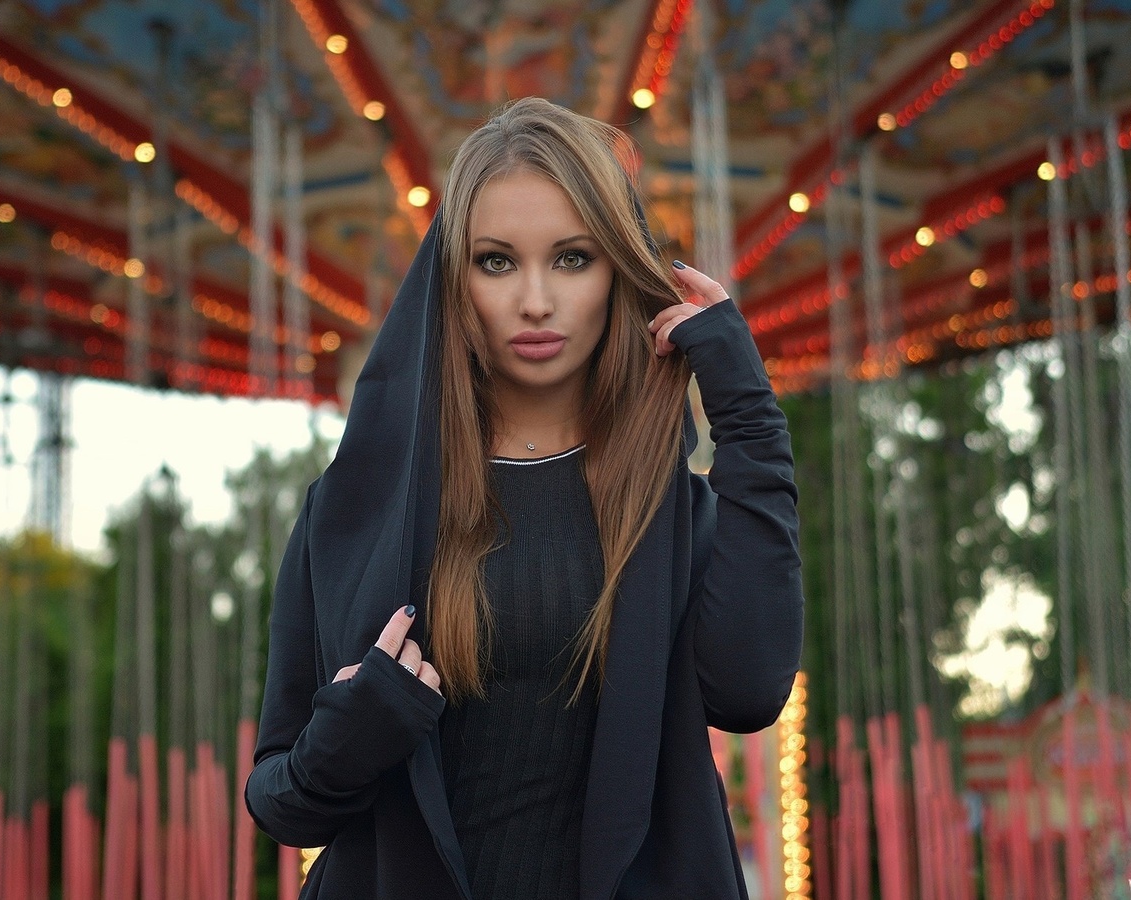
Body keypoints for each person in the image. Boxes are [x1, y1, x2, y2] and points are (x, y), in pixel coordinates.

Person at [244, 97, 803, 900]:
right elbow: (282, 802)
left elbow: (749, 693)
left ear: (617, 269)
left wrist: (746, 410)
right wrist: (356, 732)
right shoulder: (351, 510)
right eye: (496, 261)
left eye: (573, 258)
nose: (535, 300)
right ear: (452, 279)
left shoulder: (670, 509)